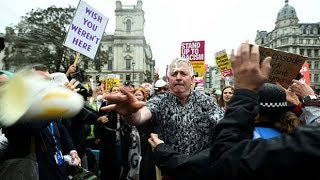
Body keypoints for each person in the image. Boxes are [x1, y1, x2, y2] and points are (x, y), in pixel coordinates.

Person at [148, 42, 320, 179]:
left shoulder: (246, 145)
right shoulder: (302, 141)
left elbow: (202, 163)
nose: (178, 77)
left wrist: (162, 150)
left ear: (252, 113)